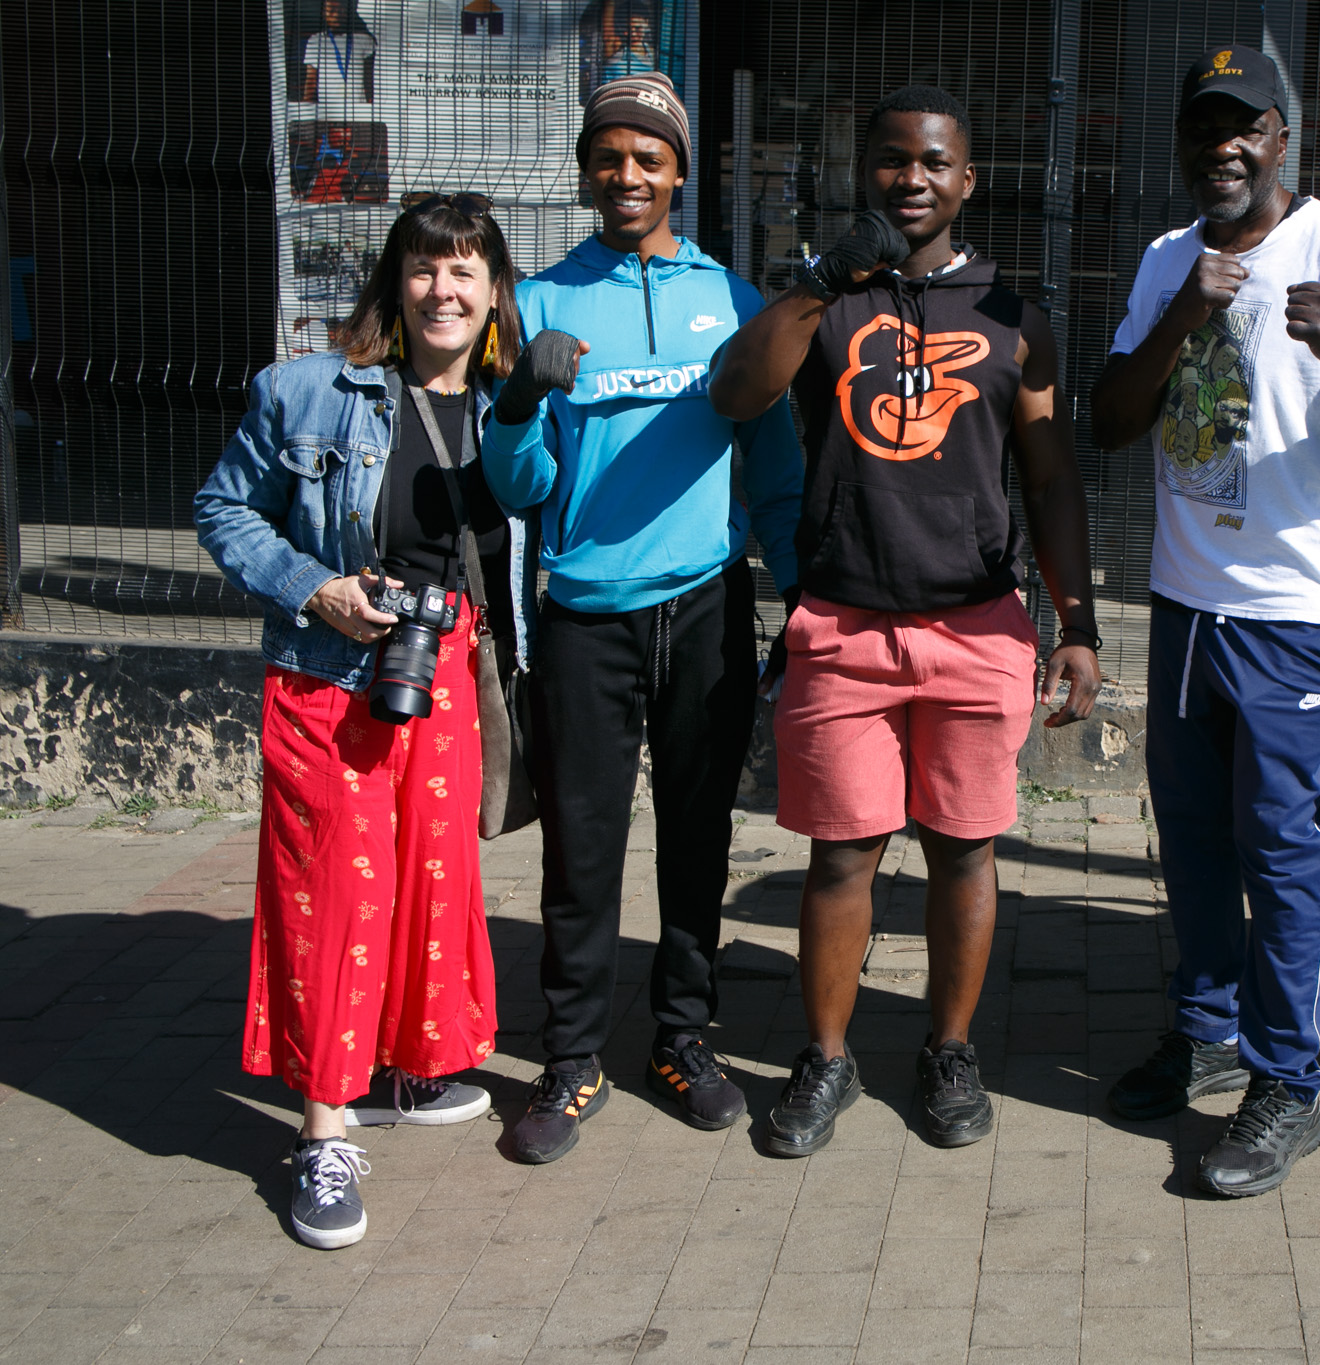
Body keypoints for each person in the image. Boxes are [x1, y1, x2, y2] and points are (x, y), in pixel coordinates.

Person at [709, 85, 1101, 1156]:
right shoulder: (827, 302)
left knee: (964, 852)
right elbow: (735, 393)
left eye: (934, 162)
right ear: (865, 171)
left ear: (968, 180)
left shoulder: (1014, 318)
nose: (912, 178)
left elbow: (1050, 477)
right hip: (842, 626)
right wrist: (823, 277)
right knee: (842, 857)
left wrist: (1077, 620)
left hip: (976, 630)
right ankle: (825, 1057)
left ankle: (949, 1050)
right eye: (892, 159)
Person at [1091, 45, 1320, 1197]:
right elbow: (1112, 419)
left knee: (1279, 849)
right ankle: (1206, 1032)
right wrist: (1182, 311)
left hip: (1292, 610)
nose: (1223, 147)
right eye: (1205, 127)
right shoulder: (1166, 261)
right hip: (1185, 599)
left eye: (1246, 127)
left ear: (1282, 137)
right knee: (1188, 838)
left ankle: (1287, 1082)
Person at [194, 193, 537, 1248]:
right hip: (332, 675)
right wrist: (314, 587)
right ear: (395, 281)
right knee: (334, 897)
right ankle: (323, 1129)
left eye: (465, 270)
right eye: (425, 268)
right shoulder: (307, 390)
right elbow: (222, 508)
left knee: (435, 884)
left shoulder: (507, 404)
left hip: (448, 677)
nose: (443, 290)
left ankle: (403, 1070)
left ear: (494, 291)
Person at [480, 72, 805, 1164]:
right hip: (585, 617)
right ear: (586, 172)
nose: (627, 174)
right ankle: (570, 1059)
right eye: (608, 157)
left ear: (679, 170)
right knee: (581, 850)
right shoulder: (541, 302)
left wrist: (801, 593)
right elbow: (519, 485)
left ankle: (681, 1036)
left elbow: (775, 468)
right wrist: (518, 400)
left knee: (697, 838)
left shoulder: (735, 301)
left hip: (706, 606)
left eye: (648, 157)